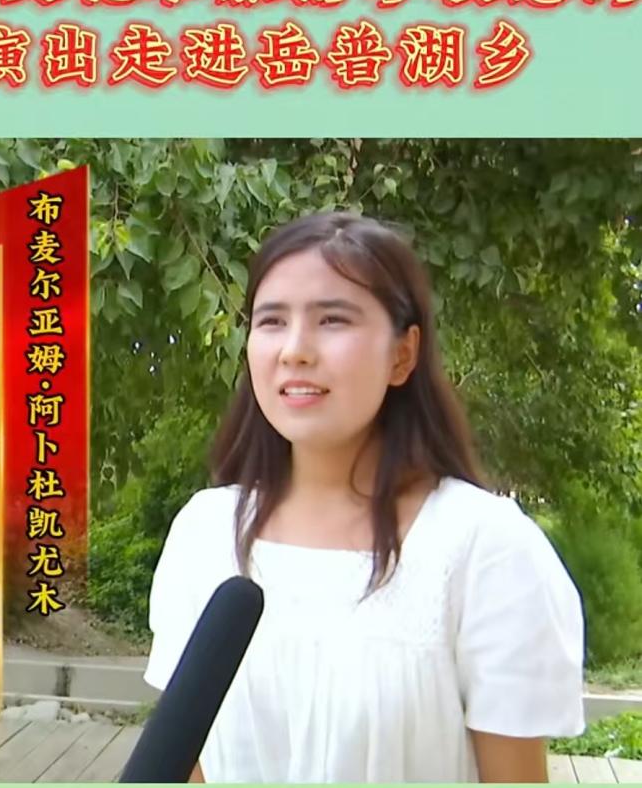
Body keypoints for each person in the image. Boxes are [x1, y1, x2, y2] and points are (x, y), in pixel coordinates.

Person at [143, 210, 585, 784]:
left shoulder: (485, 546)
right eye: (271, 321)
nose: (295, 350)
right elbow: (188, 764)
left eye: (332, 319)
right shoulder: (205, 532)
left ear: (403, 354)